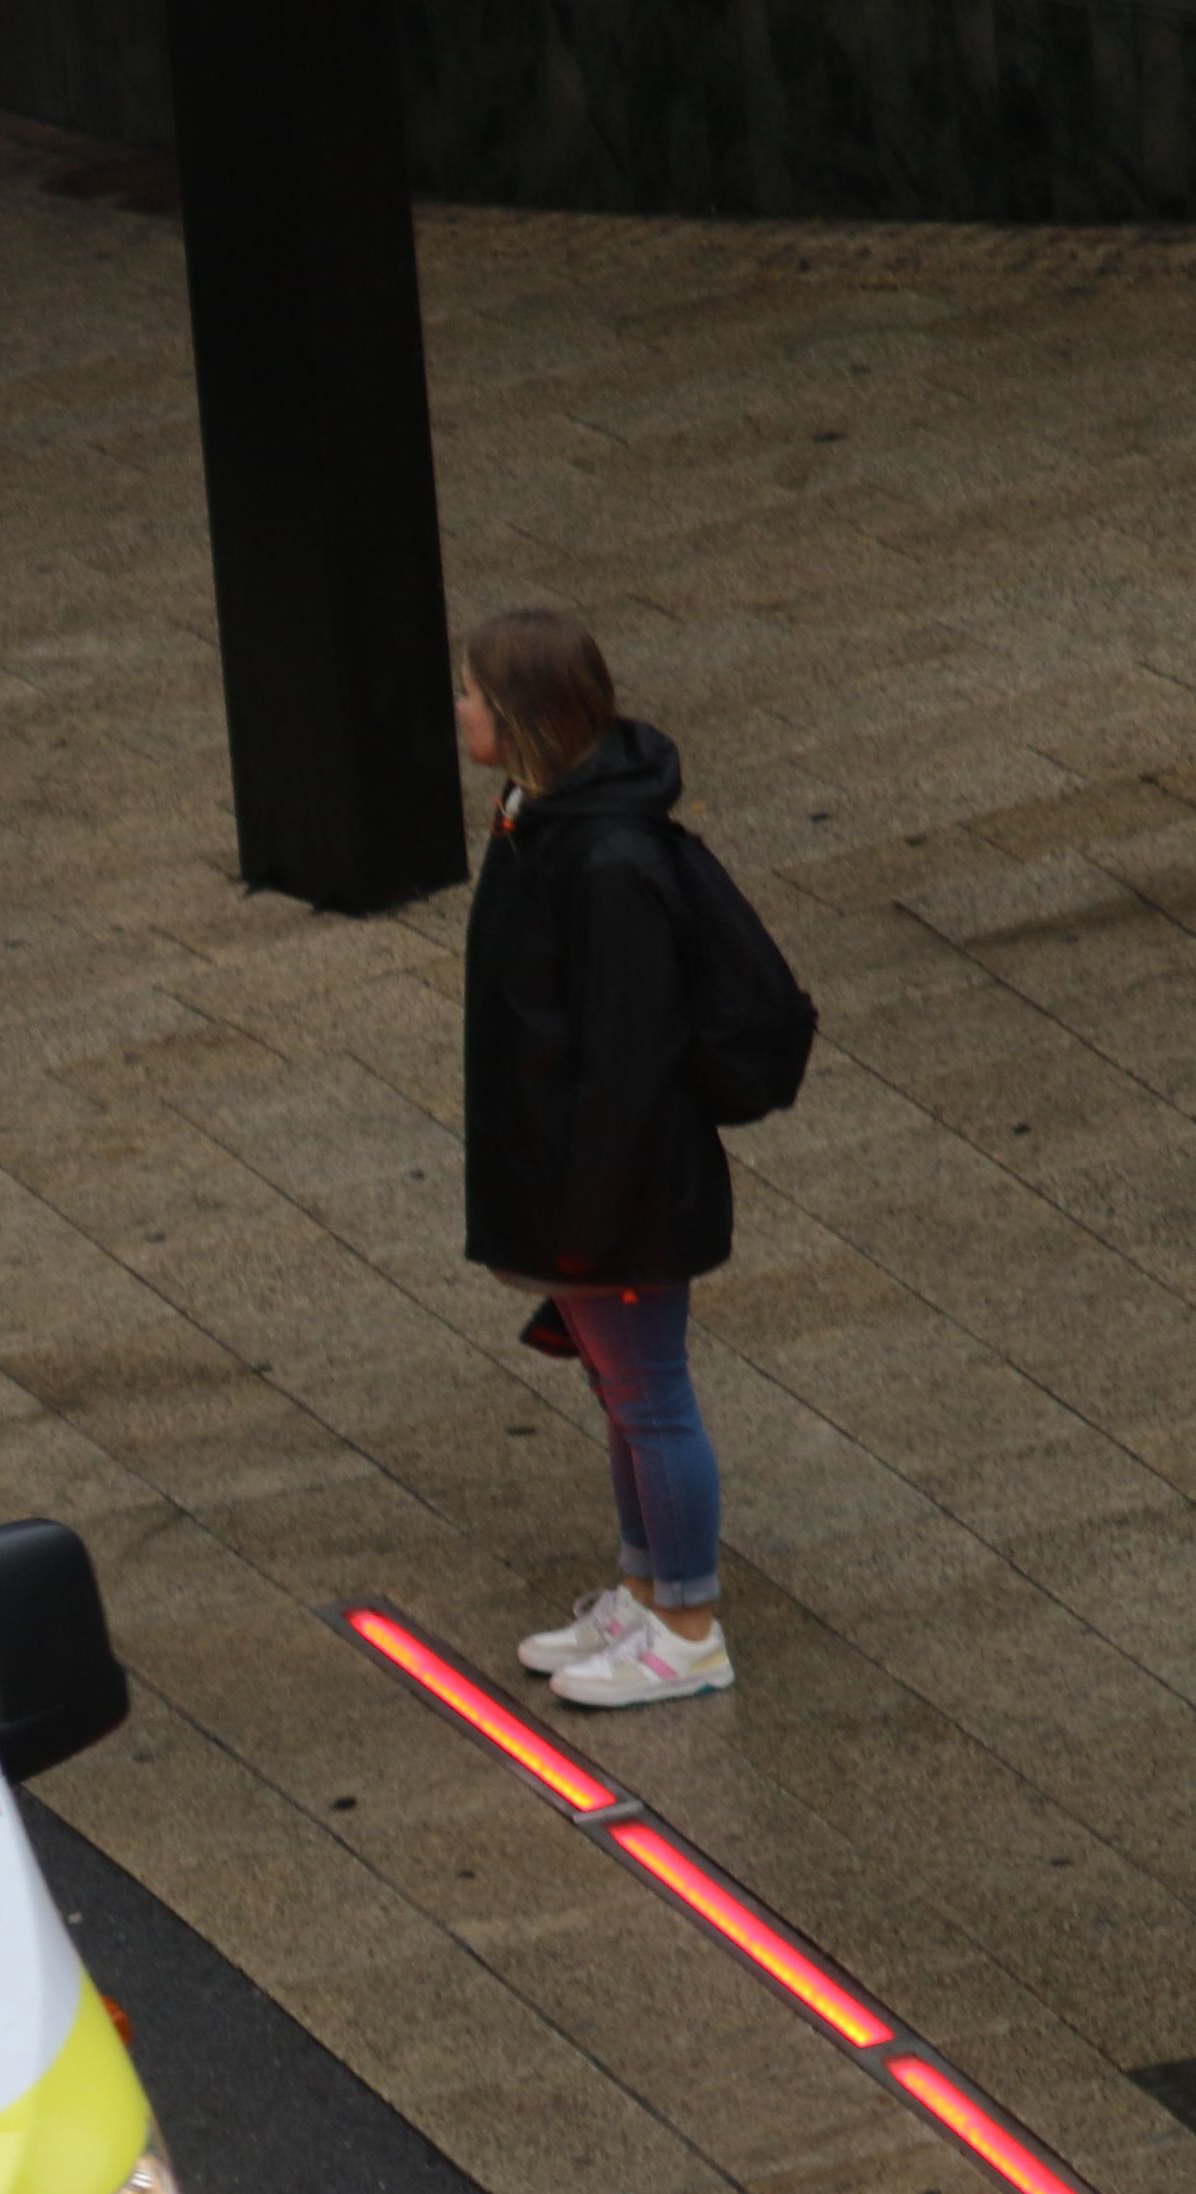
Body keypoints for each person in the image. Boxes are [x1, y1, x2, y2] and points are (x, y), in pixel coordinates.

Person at [456, 607, 736, 1711]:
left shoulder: (604, 858)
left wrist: (587, 1218)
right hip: (582, 1184)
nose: (460, 710)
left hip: (619, 1193)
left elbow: (625, 1055)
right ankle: (648, 1593)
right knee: (624, 1395)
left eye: (473, 693)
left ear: (522, 713)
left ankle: (689, 1629)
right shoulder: (539, 818)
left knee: (651, 1398)